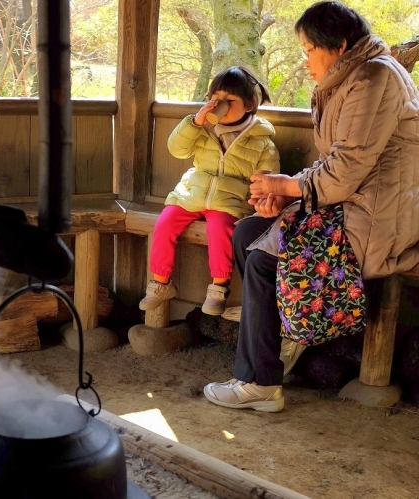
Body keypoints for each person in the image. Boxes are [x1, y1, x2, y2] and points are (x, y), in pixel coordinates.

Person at [204, 1, 419, 413]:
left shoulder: (374, 78)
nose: (304, 61)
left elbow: (344, 172)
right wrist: (286, 194)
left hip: (380, 220)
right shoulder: (353, 77)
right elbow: (336, 166)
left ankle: (258, 381)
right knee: (249, 231)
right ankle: (280, 345)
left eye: (307, 50)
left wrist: (286, 184)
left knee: (269, 260)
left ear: (337, 45)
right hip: (352, 206)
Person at [139, 66, 280, 316]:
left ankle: (218, 287)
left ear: (249, 104)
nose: (219, 105)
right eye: (215, 99)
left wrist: (262, 193)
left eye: (229, 101)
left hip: (229, 199)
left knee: (220, 229)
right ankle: (160, 282)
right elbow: (177, 149)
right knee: (164, 223)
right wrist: (195, 122)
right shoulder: (201, 128)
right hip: (192, 193)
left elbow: (268, 177)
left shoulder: (261, 141)